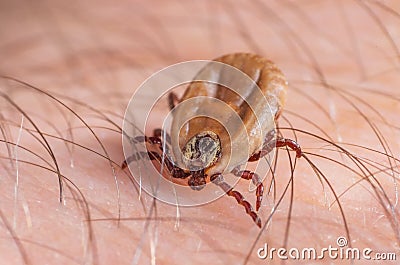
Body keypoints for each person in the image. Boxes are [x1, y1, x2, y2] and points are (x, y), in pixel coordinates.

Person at [0, 1, 399, 264]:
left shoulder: (235, 151)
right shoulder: (190, 151)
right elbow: (157, 141)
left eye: (197, 172)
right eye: (193, 170)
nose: (193, 179)